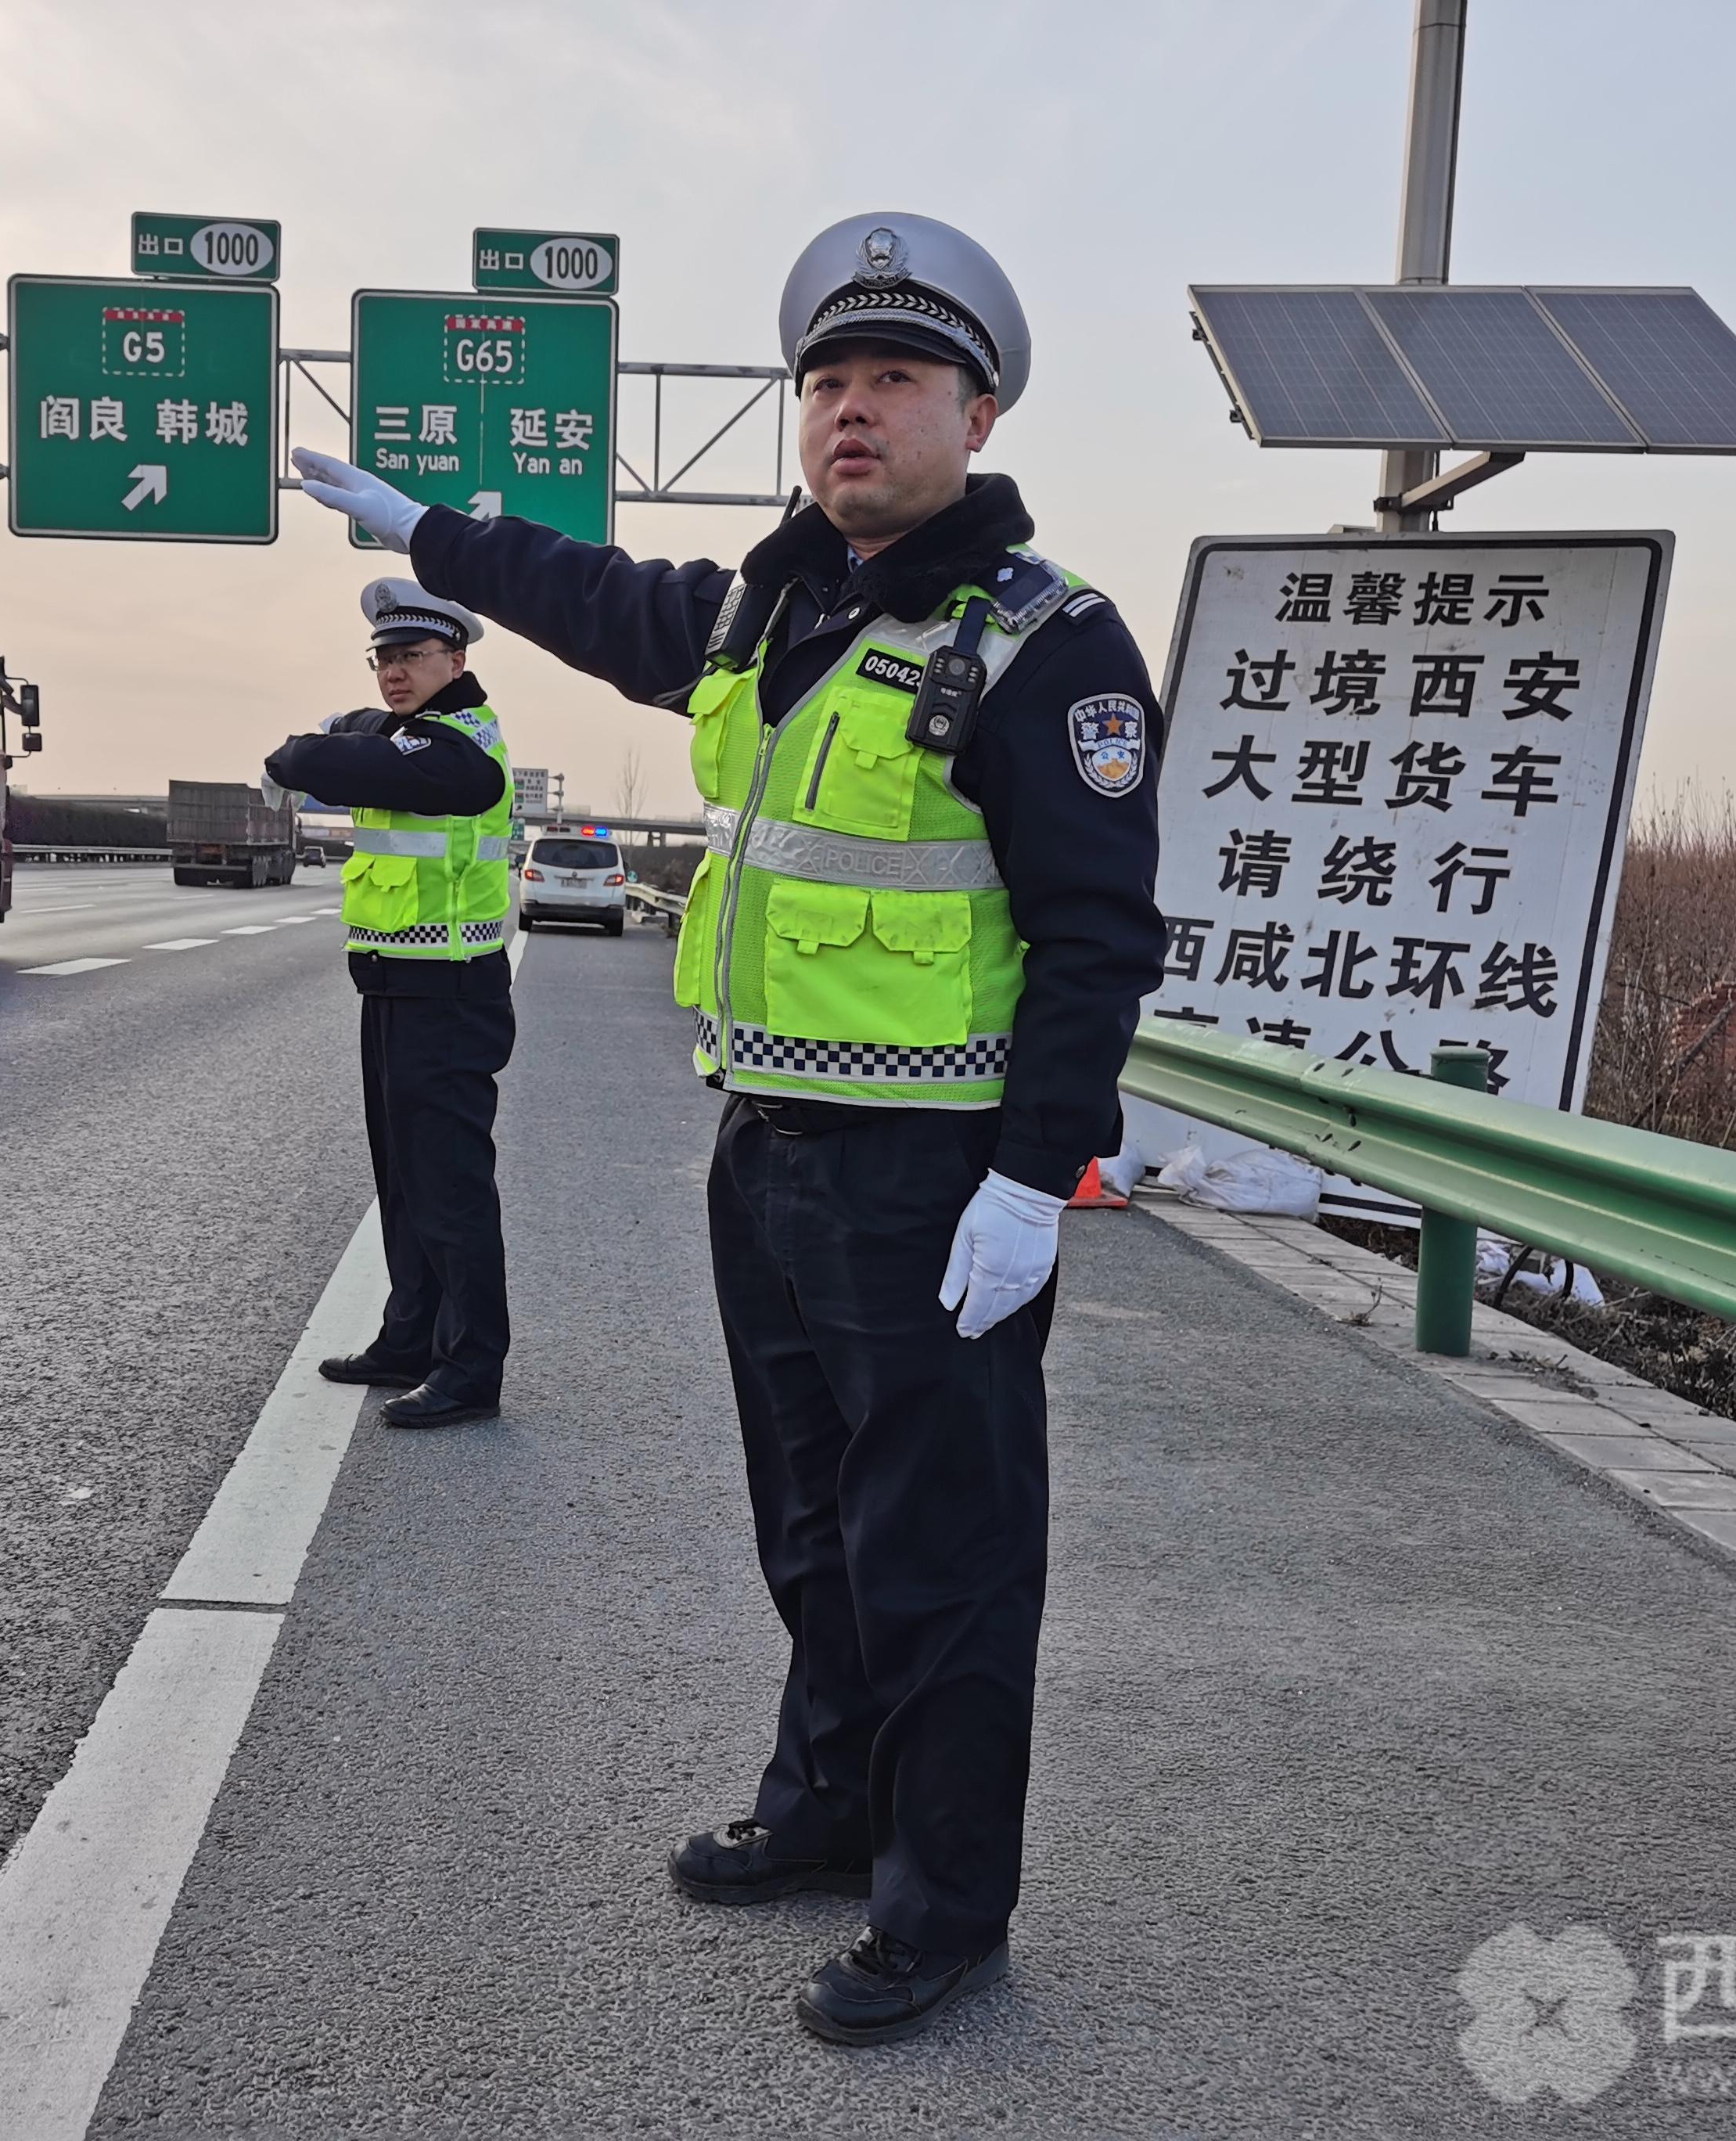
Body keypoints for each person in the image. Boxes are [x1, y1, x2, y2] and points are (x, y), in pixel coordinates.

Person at [292, 212, 1168, 2046]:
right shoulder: (775, 606)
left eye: (897, 381)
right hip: (767, 1142)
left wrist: (1035, 1176)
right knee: (809, 1515)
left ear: (978, 413)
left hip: (936, 1180)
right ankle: (827, 1798)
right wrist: (423, 532)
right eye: (828, 382)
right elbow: (601, 593)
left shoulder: (1041, 639)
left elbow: (1095, 936)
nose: (852, 412)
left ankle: (943, 1899)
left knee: (940, 1544)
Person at [262, 581, 516, 1430]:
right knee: (404, 1183)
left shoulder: (461, 753)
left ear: (458, 660)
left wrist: (295, 751)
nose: (394, 672)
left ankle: (471, 1365)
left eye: (412, 656)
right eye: (383, 658)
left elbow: (328, 761)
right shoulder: (413, 735)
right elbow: (360, 739)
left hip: (449, 994)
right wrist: (341, 732)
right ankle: (411, 1336)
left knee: (449, 1188)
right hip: (399, 989)